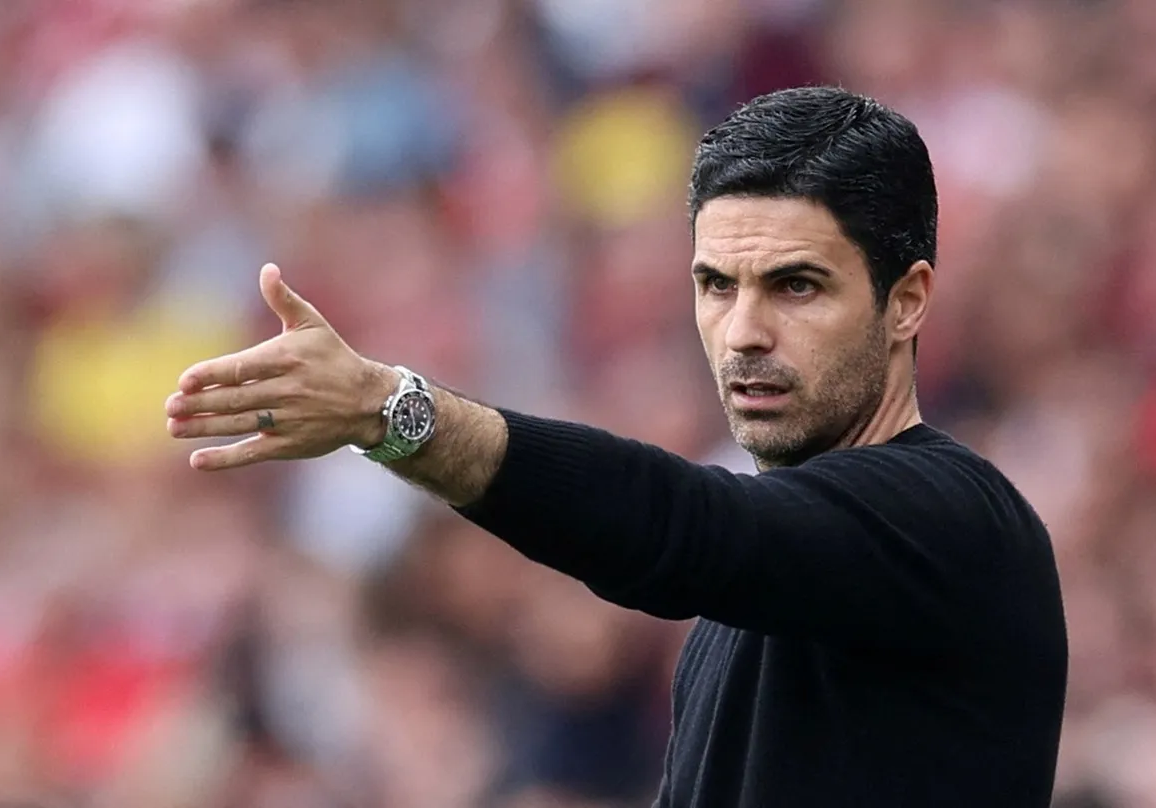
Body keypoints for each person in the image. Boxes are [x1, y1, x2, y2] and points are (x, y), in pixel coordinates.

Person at [165, 86, 1068, 807]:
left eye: (796, 286)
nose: (744, 331)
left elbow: (683, 526)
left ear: (906, 302)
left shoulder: (955, 520)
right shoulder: (738, 613)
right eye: (717, 285)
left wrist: (392, 412)